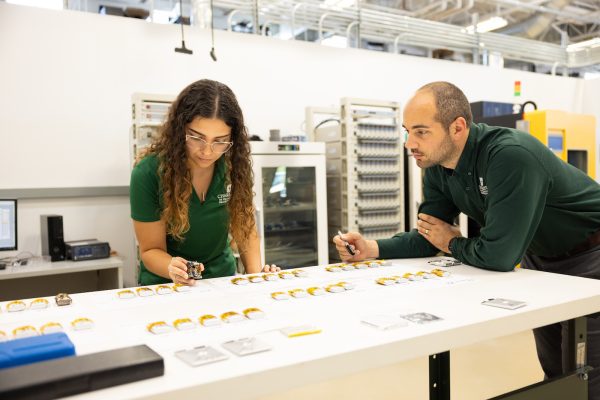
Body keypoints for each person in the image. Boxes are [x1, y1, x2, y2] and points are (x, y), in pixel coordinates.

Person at [334, 81, 600, 399]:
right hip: (542, 260)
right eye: (407, 131)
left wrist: (453, 243)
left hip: (592, 254)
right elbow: (430, 236)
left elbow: (499, 255)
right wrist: (373, 249)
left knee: (590, 375)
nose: (409, 144)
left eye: (421, 132)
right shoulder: (436, 166)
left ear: (457, 127)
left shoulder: (509, 155)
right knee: (556, 371)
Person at [130, 79, 278, 286]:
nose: (207, 151)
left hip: (221, 279)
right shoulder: (148, 172)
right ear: (179, 130)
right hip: (165, 284)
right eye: (197, 138)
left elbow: (245, 229)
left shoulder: (234, 166)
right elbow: (150, 250)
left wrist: (255, 276)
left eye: (220, 141)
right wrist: (174, 268)